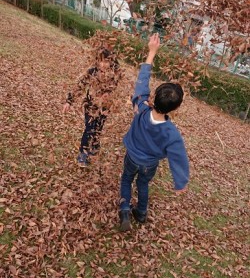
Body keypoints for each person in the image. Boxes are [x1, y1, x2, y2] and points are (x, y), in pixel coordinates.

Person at [119, 33, 189, 231]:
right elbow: (179, 157)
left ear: (153, 97)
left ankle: (124, 208)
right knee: (143, 184)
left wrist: (152, 52)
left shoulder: (141, 108)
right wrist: (181, 182)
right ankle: (140, 213)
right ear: (175, 109)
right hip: (149, 165)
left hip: (132, 157)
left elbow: (141, 83)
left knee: (126, 178)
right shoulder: (171, 133)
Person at [63, 48, 121, 165]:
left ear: (112, 62)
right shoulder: (92, 72)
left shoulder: (114, 75)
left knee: (98, 128)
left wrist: (108, 95)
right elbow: (80, 86)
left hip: (104, 108)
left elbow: (115, 89)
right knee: (89, 129)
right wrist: (69, 101)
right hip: (90, 106)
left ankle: (94, 145)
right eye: (100, 61)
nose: (103, 64)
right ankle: (83, 154)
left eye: (106, 61)